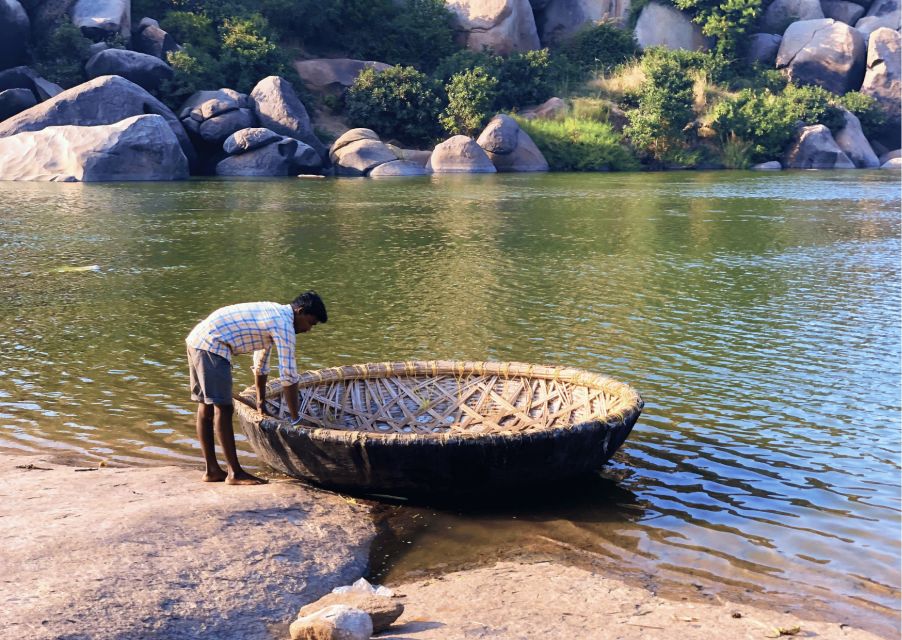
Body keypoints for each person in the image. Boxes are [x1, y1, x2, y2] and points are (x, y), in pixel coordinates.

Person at [185, 291, 327, 485]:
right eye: (310, 323)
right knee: (223, 408)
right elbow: (288, 375)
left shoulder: (274, 314)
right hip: (212, 345)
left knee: (206, 406)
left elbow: (261, 363)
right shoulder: (284, 324)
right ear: (300, 311)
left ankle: (212, 471)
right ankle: (234, 473)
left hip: (197, 340)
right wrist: (296, 420)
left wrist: (260, 402)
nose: (309, 329)